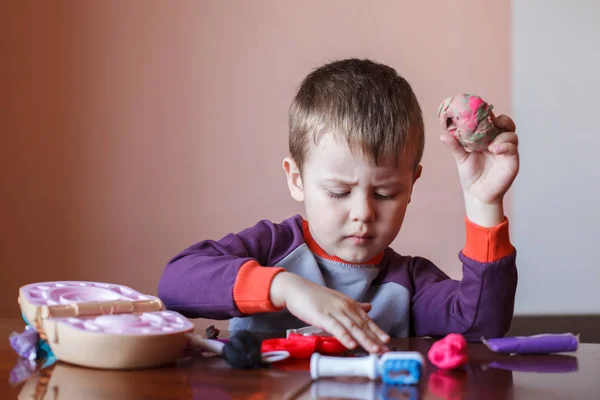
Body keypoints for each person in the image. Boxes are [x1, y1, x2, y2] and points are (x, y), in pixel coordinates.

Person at [157, 58, 519, 354]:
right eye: (338, 192)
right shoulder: (271, 248)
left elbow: (481, 322)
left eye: (385, 193)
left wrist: (483, 203)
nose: (363, 212)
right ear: (296, 179)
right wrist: (288, 289)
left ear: (411, 186)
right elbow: (175, 283)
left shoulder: (408, 284)